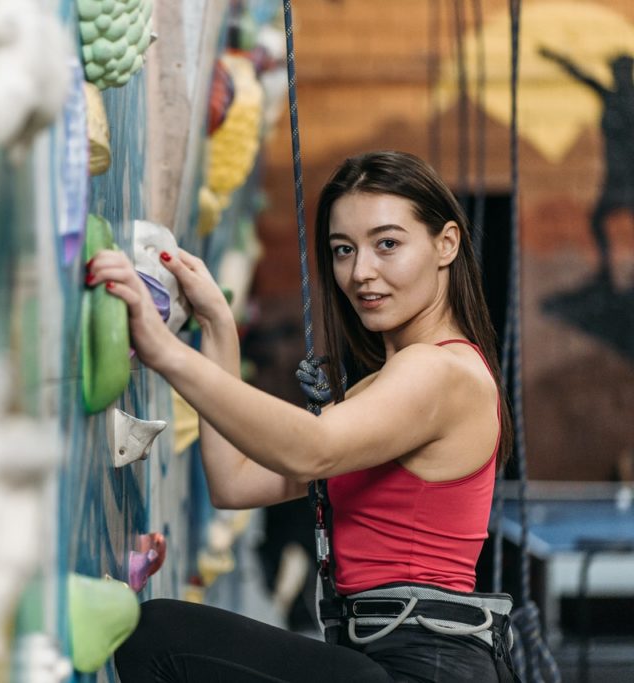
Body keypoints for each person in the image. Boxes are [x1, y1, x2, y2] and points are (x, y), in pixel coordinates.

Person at [86, 151, 518, 682]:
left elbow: (314, 447)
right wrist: (218, 328)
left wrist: (165, 351)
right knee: (157, 637)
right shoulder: (387, 385)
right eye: (343, 250)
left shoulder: (440, 372)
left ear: (445, 244)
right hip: (389, 662)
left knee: (155, 636)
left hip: (419, 668)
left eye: (388, 244)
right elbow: (234, 482)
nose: (361, 272)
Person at [538, 46, 634, 290]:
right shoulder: (609, 96)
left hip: (629, 177)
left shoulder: (625, 100)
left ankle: (606, 273)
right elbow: (583, 76)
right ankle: (605, 272)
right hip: (615, 177)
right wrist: (557, 58)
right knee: (598, 222)